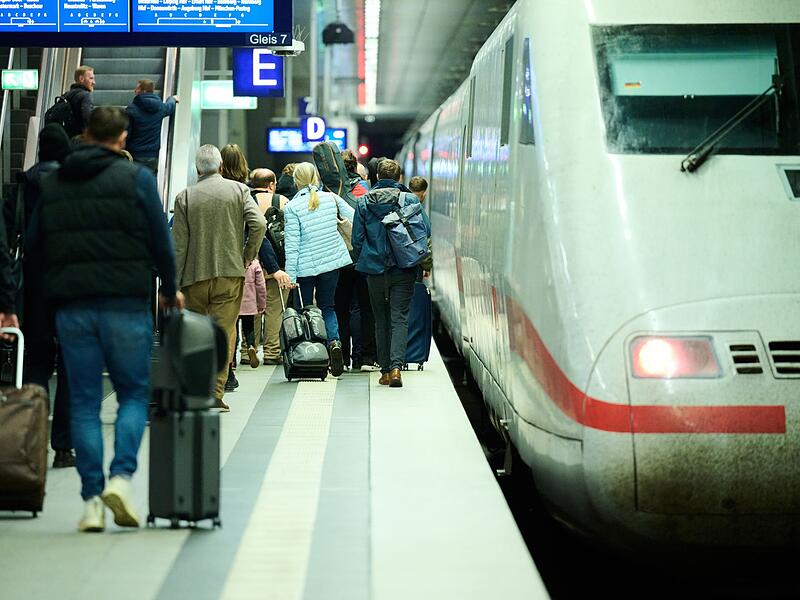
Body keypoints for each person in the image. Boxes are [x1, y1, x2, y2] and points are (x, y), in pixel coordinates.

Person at [37, 106, 182, 532]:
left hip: (73, 308)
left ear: (84, 134)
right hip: (126, 304)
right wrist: (170, 288)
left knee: (82, 403)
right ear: (122, 138)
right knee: (134, 396)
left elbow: (38, 245)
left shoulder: (54, 181)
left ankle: (90, 502)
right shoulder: (136, 179)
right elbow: (161, 240)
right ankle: (120, 478)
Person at [172, 145, 266, 411]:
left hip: (194, 277)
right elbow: (258, 224)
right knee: (224, 333)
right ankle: (215, 391)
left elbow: (179, 244)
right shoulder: (239, 190)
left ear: (197, 169)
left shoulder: (185, 197)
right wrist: (247, 256)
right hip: (230, 274)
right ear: (221, 167)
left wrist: (175, 283)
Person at [7, 124, 76, 468]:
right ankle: (63, 447)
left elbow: (13, 243)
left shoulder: (21, 188)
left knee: (35, 366)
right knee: (69, 367)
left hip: (33, 289)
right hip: (69, 286)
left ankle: (31, 442)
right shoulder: (72, 184)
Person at [352, 159, 431, 388]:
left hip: (374, 269)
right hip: (404, 268)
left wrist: (366, 258)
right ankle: (397, 367)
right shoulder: (409, 199)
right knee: (399, 317)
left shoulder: (364, 202)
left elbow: (357, 239)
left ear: (377, 177)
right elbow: (425, 230)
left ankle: (385, 370)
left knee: (380, 318)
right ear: (399, 179)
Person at [283, 162, 355, 376]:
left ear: (296, 182)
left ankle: (312, 353)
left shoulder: (292, 208)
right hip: (332, 262)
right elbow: (354, 216)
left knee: (305, 311)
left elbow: (292, 244)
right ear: (316, 178)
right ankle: (334, 343)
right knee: (328, 307)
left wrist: (290, 275)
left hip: (304, 268)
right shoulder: (331, 198)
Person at [249, 168, 291, 365]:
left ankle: (247, 349)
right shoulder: (282, 201)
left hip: (251, 262)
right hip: (277, 264)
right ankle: (272, 351)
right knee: (274, 309)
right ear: (272, 184)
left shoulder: (246, 201)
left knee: (252, 307)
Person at [125, 79, 179, 173]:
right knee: (149, 181)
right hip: (152, 155)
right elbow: (170, 106)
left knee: (134, 182)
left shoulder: (131, 110)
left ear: (143, 91)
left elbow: (127, 133)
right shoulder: (160, 108)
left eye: (137, 89)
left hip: (135, 154)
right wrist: (172, 99)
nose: (135, 91)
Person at [239, 260, 267, 369]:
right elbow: (261, 286)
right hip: (248, 302)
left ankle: (231, 361)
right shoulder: (254, 262)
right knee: (249, 327)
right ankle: (251, 346)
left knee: (233, 329)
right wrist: (261, 303)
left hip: (233, 302)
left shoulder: (231, 259)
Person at [64, 66, 95, 137]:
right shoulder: (85, 96)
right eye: (91, 78)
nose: (94, 82)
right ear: (81, 79)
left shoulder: (67, 95)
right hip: (79, 138)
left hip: (67, 137)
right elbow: (88, 119)